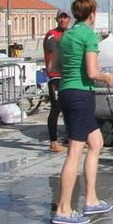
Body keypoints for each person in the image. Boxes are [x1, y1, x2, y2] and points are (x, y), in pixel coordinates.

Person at [50, 0, 113, 224]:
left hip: (67, 92)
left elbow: (53, 67)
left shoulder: (66, 34)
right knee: (74, 153)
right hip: (81, 95)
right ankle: (64, 209)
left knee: (96, 142)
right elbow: (92, 72)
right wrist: (107, 77)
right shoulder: (89, 35)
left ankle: (91, 199)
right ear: (92, 14)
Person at [42, 12, 71, 153]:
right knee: (56, 108)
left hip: (68, 76)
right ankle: (53, 142)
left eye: (65, 17)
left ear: (69, 19)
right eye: (60, 17)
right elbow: (55, 48)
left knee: (70, 108)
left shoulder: (70, 34)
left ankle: (71, 138)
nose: (62, 20)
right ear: (56, 19)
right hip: (55, 76)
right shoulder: (51, 34)